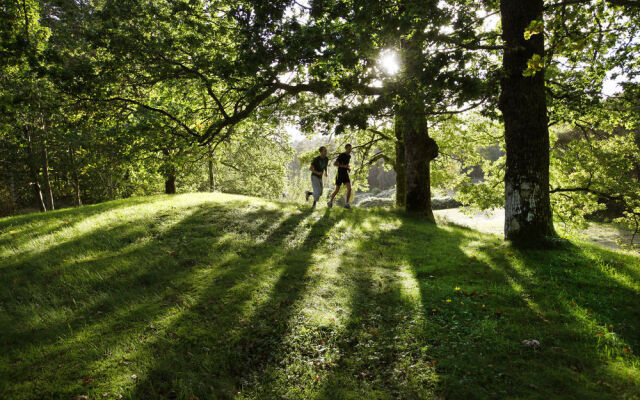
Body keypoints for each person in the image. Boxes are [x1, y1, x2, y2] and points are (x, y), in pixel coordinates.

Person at [328, 143, 352, 209]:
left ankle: (347, 204)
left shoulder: (349, 156)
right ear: (346, 149)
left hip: (345, 174)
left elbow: (346, 165)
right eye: (349, 149)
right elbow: (335, 164)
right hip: (340, 174)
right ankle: (330, 202)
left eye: (351, 149)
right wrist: (343, 166)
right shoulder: (342, 155)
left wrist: (348, 168)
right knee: (337, 190)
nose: (350, 150)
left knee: (349, 189)